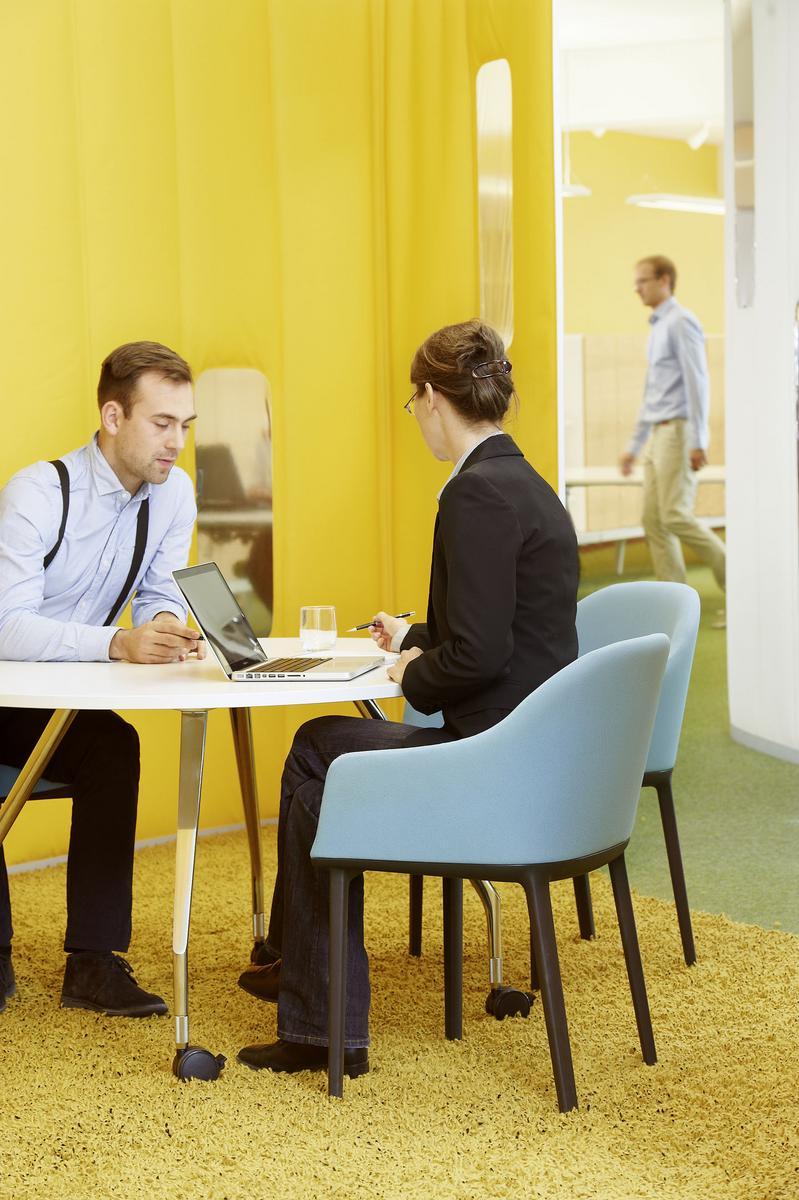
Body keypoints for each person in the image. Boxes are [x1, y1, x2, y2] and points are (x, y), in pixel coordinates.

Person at [236, 319, 580, 1078]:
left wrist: (408, 674)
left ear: (428, 398)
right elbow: (501, 622)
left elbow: (480, 653)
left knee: (316, 790)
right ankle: (294, 966)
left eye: (412, 401)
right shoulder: (521, 482)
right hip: (539, 750)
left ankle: (320, 1025)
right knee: (317, 743)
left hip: (493, 761)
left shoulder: (475, 494)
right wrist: (416, 631)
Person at [0, 341, 204, 1019]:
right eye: (161, 423)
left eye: (185, 424)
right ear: (113, 416)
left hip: (57, 697)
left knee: (113, 747)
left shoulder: (173, 494)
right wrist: (117, 643)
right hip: (4, 687)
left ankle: (93, 963)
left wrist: (166, 623)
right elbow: (7, 627)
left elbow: (154, 590)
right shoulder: (38, 490)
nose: (176, 442)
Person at [620, 255, 726, 620]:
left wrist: (699, 439)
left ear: (664, 280)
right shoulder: (658, 327)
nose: (637, 287)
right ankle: (676, 607)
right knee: (653, 521)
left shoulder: (682, 322)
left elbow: (698, 382)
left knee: (675, 516)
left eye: (643, 280)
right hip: (657, 434)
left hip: (680, 431)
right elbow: (653, 392)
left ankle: (739, 587)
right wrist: (634, 447)